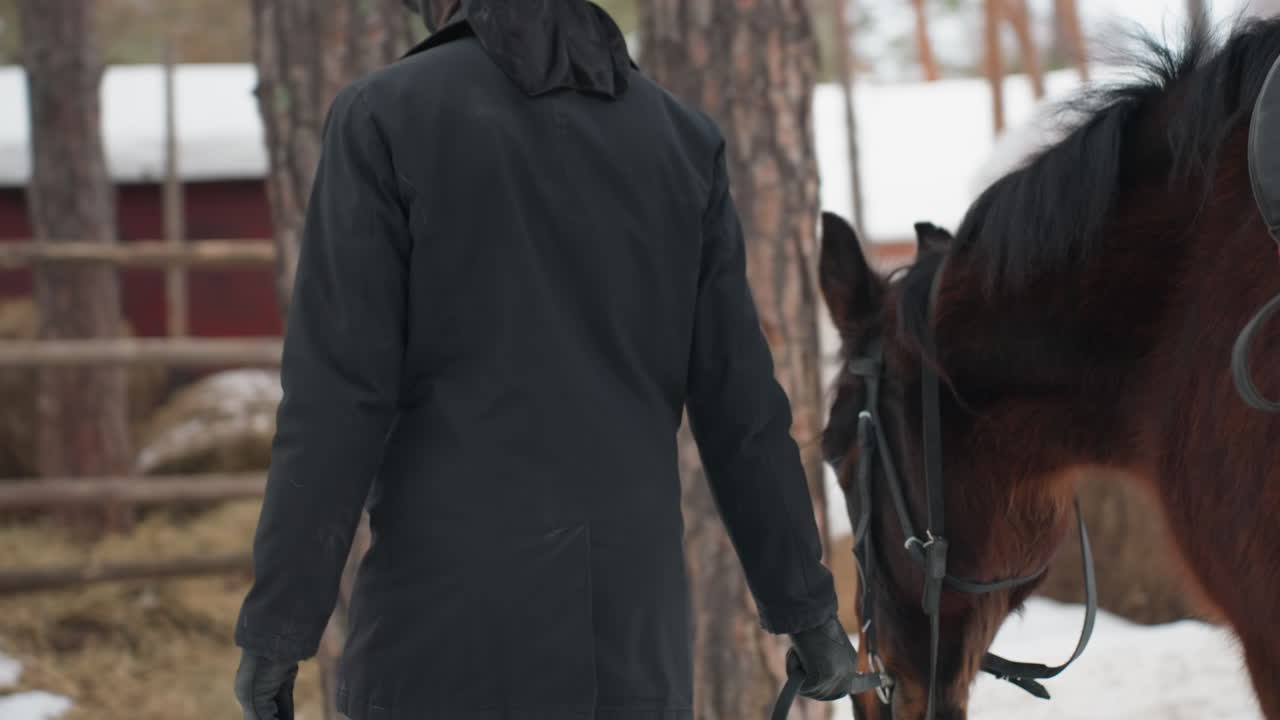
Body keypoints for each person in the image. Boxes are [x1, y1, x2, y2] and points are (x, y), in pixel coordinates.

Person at [233, 1, 857, 718]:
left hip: (449, 630)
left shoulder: (385, 117)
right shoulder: (680, 140)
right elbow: (741, 406)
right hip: (633, 633)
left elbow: (338, 399)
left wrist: (277, 631)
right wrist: (805, 609)